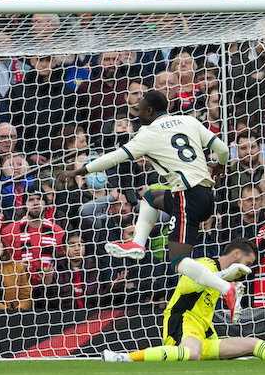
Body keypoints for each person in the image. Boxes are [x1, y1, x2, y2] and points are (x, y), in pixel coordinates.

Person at [56, 90, 249, 307]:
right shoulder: (189, 120)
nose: (136, 114)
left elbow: (114, 157)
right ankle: (138, 243)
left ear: (149, 110)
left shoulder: (148, 134)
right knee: (150, 196)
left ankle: (227, 289)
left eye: (138, 109)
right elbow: (223, 149)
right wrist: (219, 165)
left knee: (177, 260)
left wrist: (79, 172)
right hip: (204, 194)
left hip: (188, 195)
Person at [101, 239, 265, 362]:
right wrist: (224, 278)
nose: (245, 270)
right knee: (191, 354)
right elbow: (188, 285)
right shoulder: (205, 265)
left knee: (253, 344)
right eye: (246, 264)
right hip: (182, 325)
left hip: (205, 334)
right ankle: (124, 357)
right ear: (236, 254)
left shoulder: (222, 278)